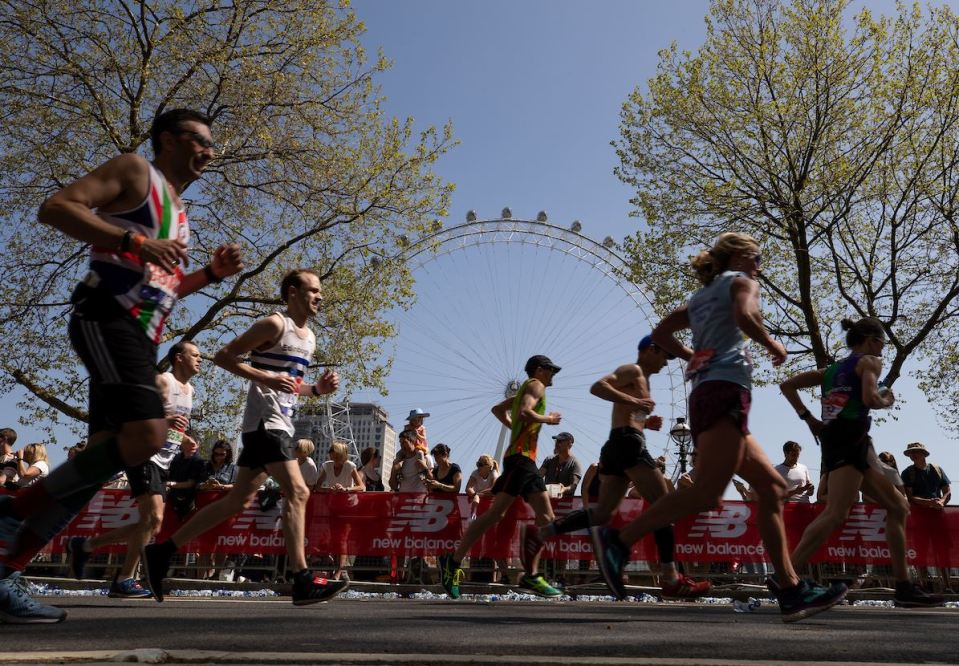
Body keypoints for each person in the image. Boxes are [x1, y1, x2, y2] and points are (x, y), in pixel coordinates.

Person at [0, 108, 243, 623]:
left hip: (137, 332)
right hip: (108, 317)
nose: (210, 152)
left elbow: (165, 287)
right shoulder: (137, 171)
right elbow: (56, 208)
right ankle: (9, 513)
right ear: (170, 140)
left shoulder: (178, 211)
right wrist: (134, 239)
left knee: (101, 463)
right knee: (150, 436)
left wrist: (209, 275)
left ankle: (5, 569)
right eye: (201, 141)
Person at [591, 232, 847, 622]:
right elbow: (745, 316)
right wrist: (772, 344)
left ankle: (791, 588)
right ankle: (619, 540)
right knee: (707, 493)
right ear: (740, 256)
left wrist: (693, 356)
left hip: (711, 393)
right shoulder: (742, 283)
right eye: (757, 255)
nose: (760, 262)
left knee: (772, 487)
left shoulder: (700, 298)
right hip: (724, 392)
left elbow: (661, 334)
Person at [142, 268, 347, 606]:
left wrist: (315, 389)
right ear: (293, 292)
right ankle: (301, 578)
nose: (319, 297)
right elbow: (224, 357)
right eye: (313, 290)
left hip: (277, 423)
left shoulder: (308, 338)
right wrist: (263, 377)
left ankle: (162, 551)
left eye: (320, 291)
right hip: (266, 424)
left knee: (236, 501)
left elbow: (289, 382)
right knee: (297, 491)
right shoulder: (273, 324)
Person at [528, 336, 710, 599]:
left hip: (616, 445)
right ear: (650, 350)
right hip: (628, 444)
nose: (664, 364)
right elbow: (598, 387)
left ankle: (542, 533)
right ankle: (670, 578)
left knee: (602, 513)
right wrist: (637, 405)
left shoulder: (644, 383)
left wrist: (646, 423)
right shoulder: (633, 370)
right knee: (665, 506)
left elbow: (627, 414)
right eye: (663, 357)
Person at [780, 316, 942, 608]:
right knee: (835, 513)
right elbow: (869, 397)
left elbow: (788, 385)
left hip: (841, 441)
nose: (882, 349)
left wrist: (809, 420)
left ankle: (904, 586)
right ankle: (786, 579)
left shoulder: (830, 370)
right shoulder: (869, 361)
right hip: (851, 440)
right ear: (870, 340)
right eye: (882, 342)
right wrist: (885, 399)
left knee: (898, 505)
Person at [66, 340, 202, 598]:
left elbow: (175, 425)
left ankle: (84, 546)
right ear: (178, 358)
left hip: (165, 460)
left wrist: (184, 439)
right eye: (195, 354)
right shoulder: (163, 381)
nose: (200, 359)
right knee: (153, 519)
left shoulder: (190, 390)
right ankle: (125, 578)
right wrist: (164, 421)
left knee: (152, 524)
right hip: (144, 454)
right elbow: (134, 412)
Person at [437, 355, 564, 599]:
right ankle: (532, 575)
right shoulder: (535, 385)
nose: (553, 375)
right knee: (544, 518)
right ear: (539, 370)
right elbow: (527, 412)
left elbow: (497, 409)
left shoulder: (523, 392)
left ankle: (452, 561)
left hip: (518, 457)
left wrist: (514, 427)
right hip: (522, 458)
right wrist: (548, 419)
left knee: (500, 514)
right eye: (551, 370)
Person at [900, 441, 952, 592]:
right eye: (910, 453)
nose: (912, 455)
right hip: (919, 518)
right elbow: (909, 497)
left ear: (923, 453)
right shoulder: (907, 472)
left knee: (943, 551)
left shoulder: (937, 470)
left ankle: (947, 585)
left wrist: (941, 501)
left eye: (915, 452)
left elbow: (947, 490)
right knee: (920, 551)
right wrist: (928, 502)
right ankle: (922, 585)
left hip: (938, 516)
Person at [315, 441, 364, 580]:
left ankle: (339, 570)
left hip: (348, 507)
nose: (334, 458)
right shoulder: (327, 466)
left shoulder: (350, 466)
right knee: (335, 538)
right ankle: (339, 568)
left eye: (337, 456)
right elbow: (317, 487)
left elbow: (361, 486)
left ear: (343, 455)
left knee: (342, 538)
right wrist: (329, 490)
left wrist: (346, 489)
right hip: (333, 505)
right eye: (333, 455)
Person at [539, 432, 582, 499]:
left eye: (560, 441)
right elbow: (538, 477)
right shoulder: (549, 460)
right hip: (548, 500)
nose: (556, 444)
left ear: (569, 444)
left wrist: (564, 489)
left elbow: (573, 486)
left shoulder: (575, 463)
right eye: (556, 441)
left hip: (565, 504)